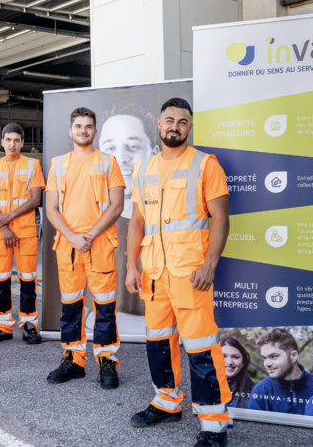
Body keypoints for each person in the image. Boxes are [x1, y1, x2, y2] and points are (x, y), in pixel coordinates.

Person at [125, 98, 231, 447]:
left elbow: (220, 218)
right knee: (158, 344)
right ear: (159, 124)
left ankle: (214, 424)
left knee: (201, 348)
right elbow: (137, 221)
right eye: (169, 120)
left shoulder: (205, 164)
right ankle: (167, 403)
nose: (175, 126)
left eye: (182, 122)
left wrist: (210, 264)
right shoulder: (144, 169)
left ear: (189, 127)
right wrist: (130, 265)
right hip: (154, 274)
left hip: (191, 274)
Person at [45, 107, 125, 389]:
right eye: (78, 126)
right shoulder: (58, 164)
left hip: (99, 243)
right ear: (71, 131)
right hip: (68, 246)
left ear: (95, 130)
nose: (83, 130)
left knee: (104, 308)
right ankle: (73, 360)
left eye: (88, 126)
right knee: (71, 306)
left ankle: (106, 362)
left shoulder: (108, 162)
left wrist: (88, 235)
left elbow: (117, 206)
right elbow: (51, 209)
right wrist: (73, 237)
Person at [0, 123, 45, 345]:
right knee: (0, 280)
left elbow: (36, 199)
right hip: (0, 233)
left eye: (16, 140)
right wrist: (5, 226)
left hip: (25, 232)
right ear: (2, 141)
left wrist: (9, 218)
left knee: (28, 280)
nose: (12, 144)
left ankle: (29, 325)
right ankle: (3, 326)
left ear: (22, 143)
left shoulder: (33, 165)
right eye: (8, 140)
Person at [98, 106, 159, 319]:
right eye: (110, 148)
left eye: (132, 146)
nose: (120, 158)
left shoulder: (165, 216)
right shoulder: (92, 222)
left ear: (154, 152)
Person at [248, 328, 313, 415]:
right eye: (264, 358)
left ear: (293, 356)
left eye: (273, 356)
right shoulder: (260, 391)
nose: (267, 364)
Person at [220, 336, 255, 409]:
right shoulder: (200, 387)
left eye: (235, 357)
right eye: (223, 356)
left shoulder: (255, 393)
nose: (229, 362)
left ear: (243, 363)